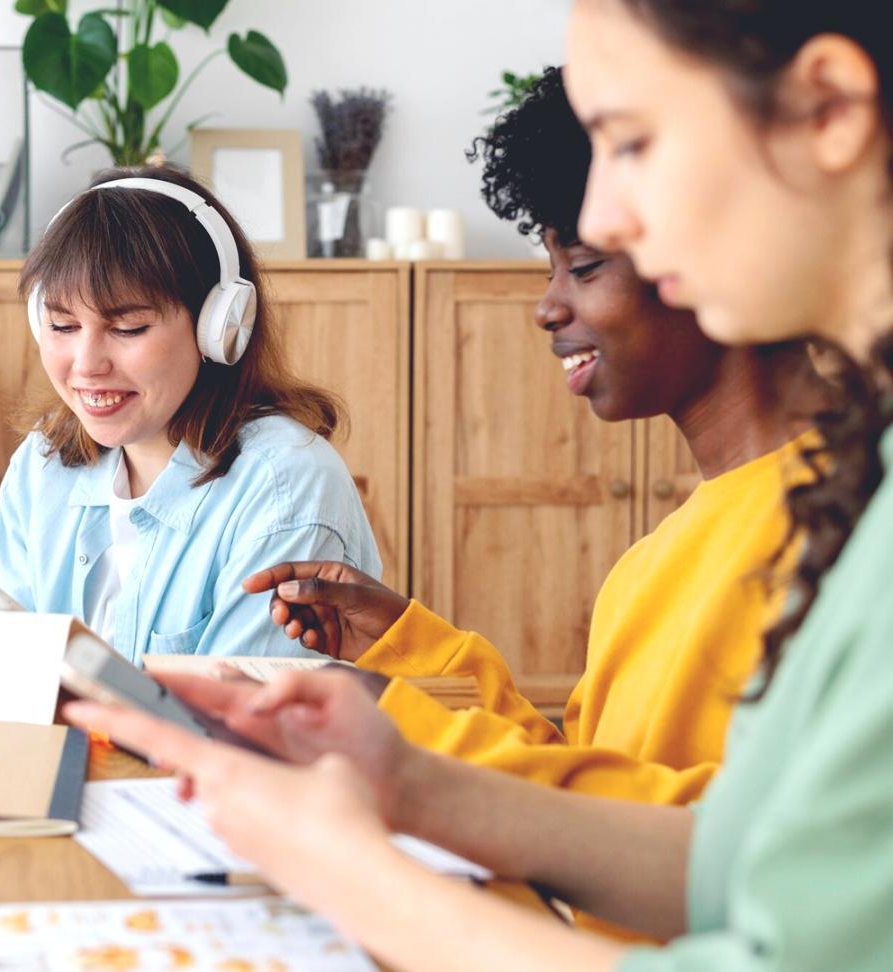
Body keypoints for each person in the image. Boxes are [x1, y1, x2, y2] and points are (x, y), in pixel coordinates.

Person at [65, 2, 893, 969]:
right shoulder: (758, 529)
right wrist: (395, 766)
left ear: (829, 109)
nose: (617, 212)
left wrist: (349, 868)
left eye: (633, 141)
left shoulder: (826, 527)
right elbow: (738, 855)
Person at [242, 68, 824, 849]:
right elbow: (576, 782)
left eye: (582, 267)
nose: (547, 306)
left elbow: (737, 851)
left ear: (708, 256)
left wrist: (397, 730)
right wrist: (404, 646)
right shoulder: (652, 563)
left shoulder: (842, 534)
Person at [0, 166, 381, 663]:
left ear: (221, 326)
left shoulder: (285, 487)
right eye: (62, 325)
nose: (86, 364)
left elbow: (242, 727)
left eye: (128, 328)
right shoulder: (41, 465)